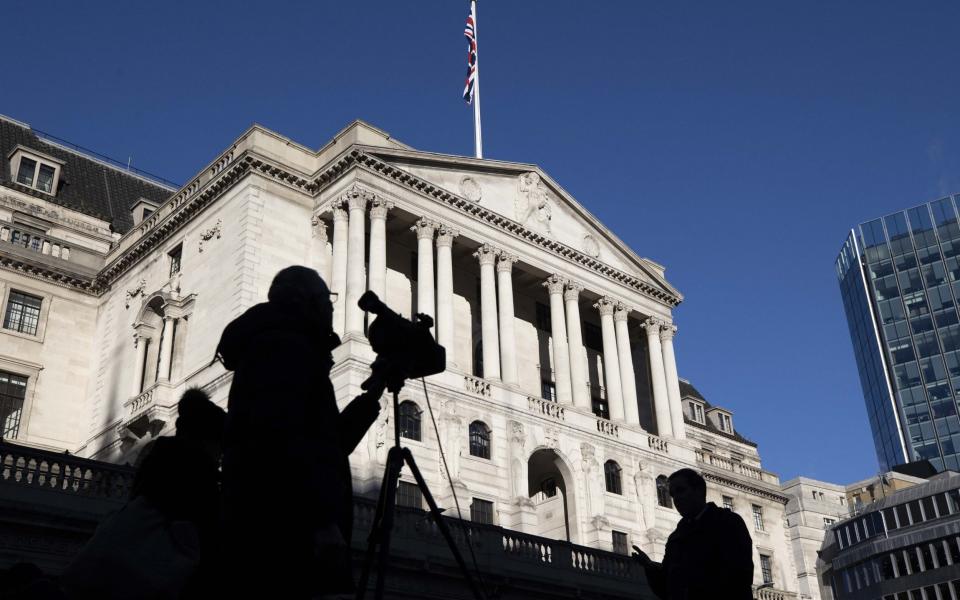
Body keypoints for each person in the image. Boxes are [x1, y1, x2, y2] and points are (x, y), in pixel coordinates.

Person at [215, 266, 386, 598]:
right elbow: (284, 445)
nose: (332, 308)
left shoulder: (283, 347)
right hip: (284, 530)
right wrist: (321, 520)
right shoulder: (285, 348)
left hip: (275, 522)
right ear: (308, 302)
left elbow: (326, 446)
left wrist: (372, 396)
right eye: (327, 299)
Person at [63, 388, 226, 599]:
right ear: (209, 441)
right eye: (220, 447)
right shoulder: (198, 473)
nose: (220, 455)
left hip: (96, 568)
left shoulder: (156, 458)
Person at [632, 468, 754, 600]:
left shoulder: (727, 522)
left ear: (699, 490)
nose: (676, 499)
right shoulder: (676, 538)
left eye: (681, 490)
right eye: (672, 495)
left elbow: (740, 574)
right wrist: (649, 567)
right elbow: (667, 588)